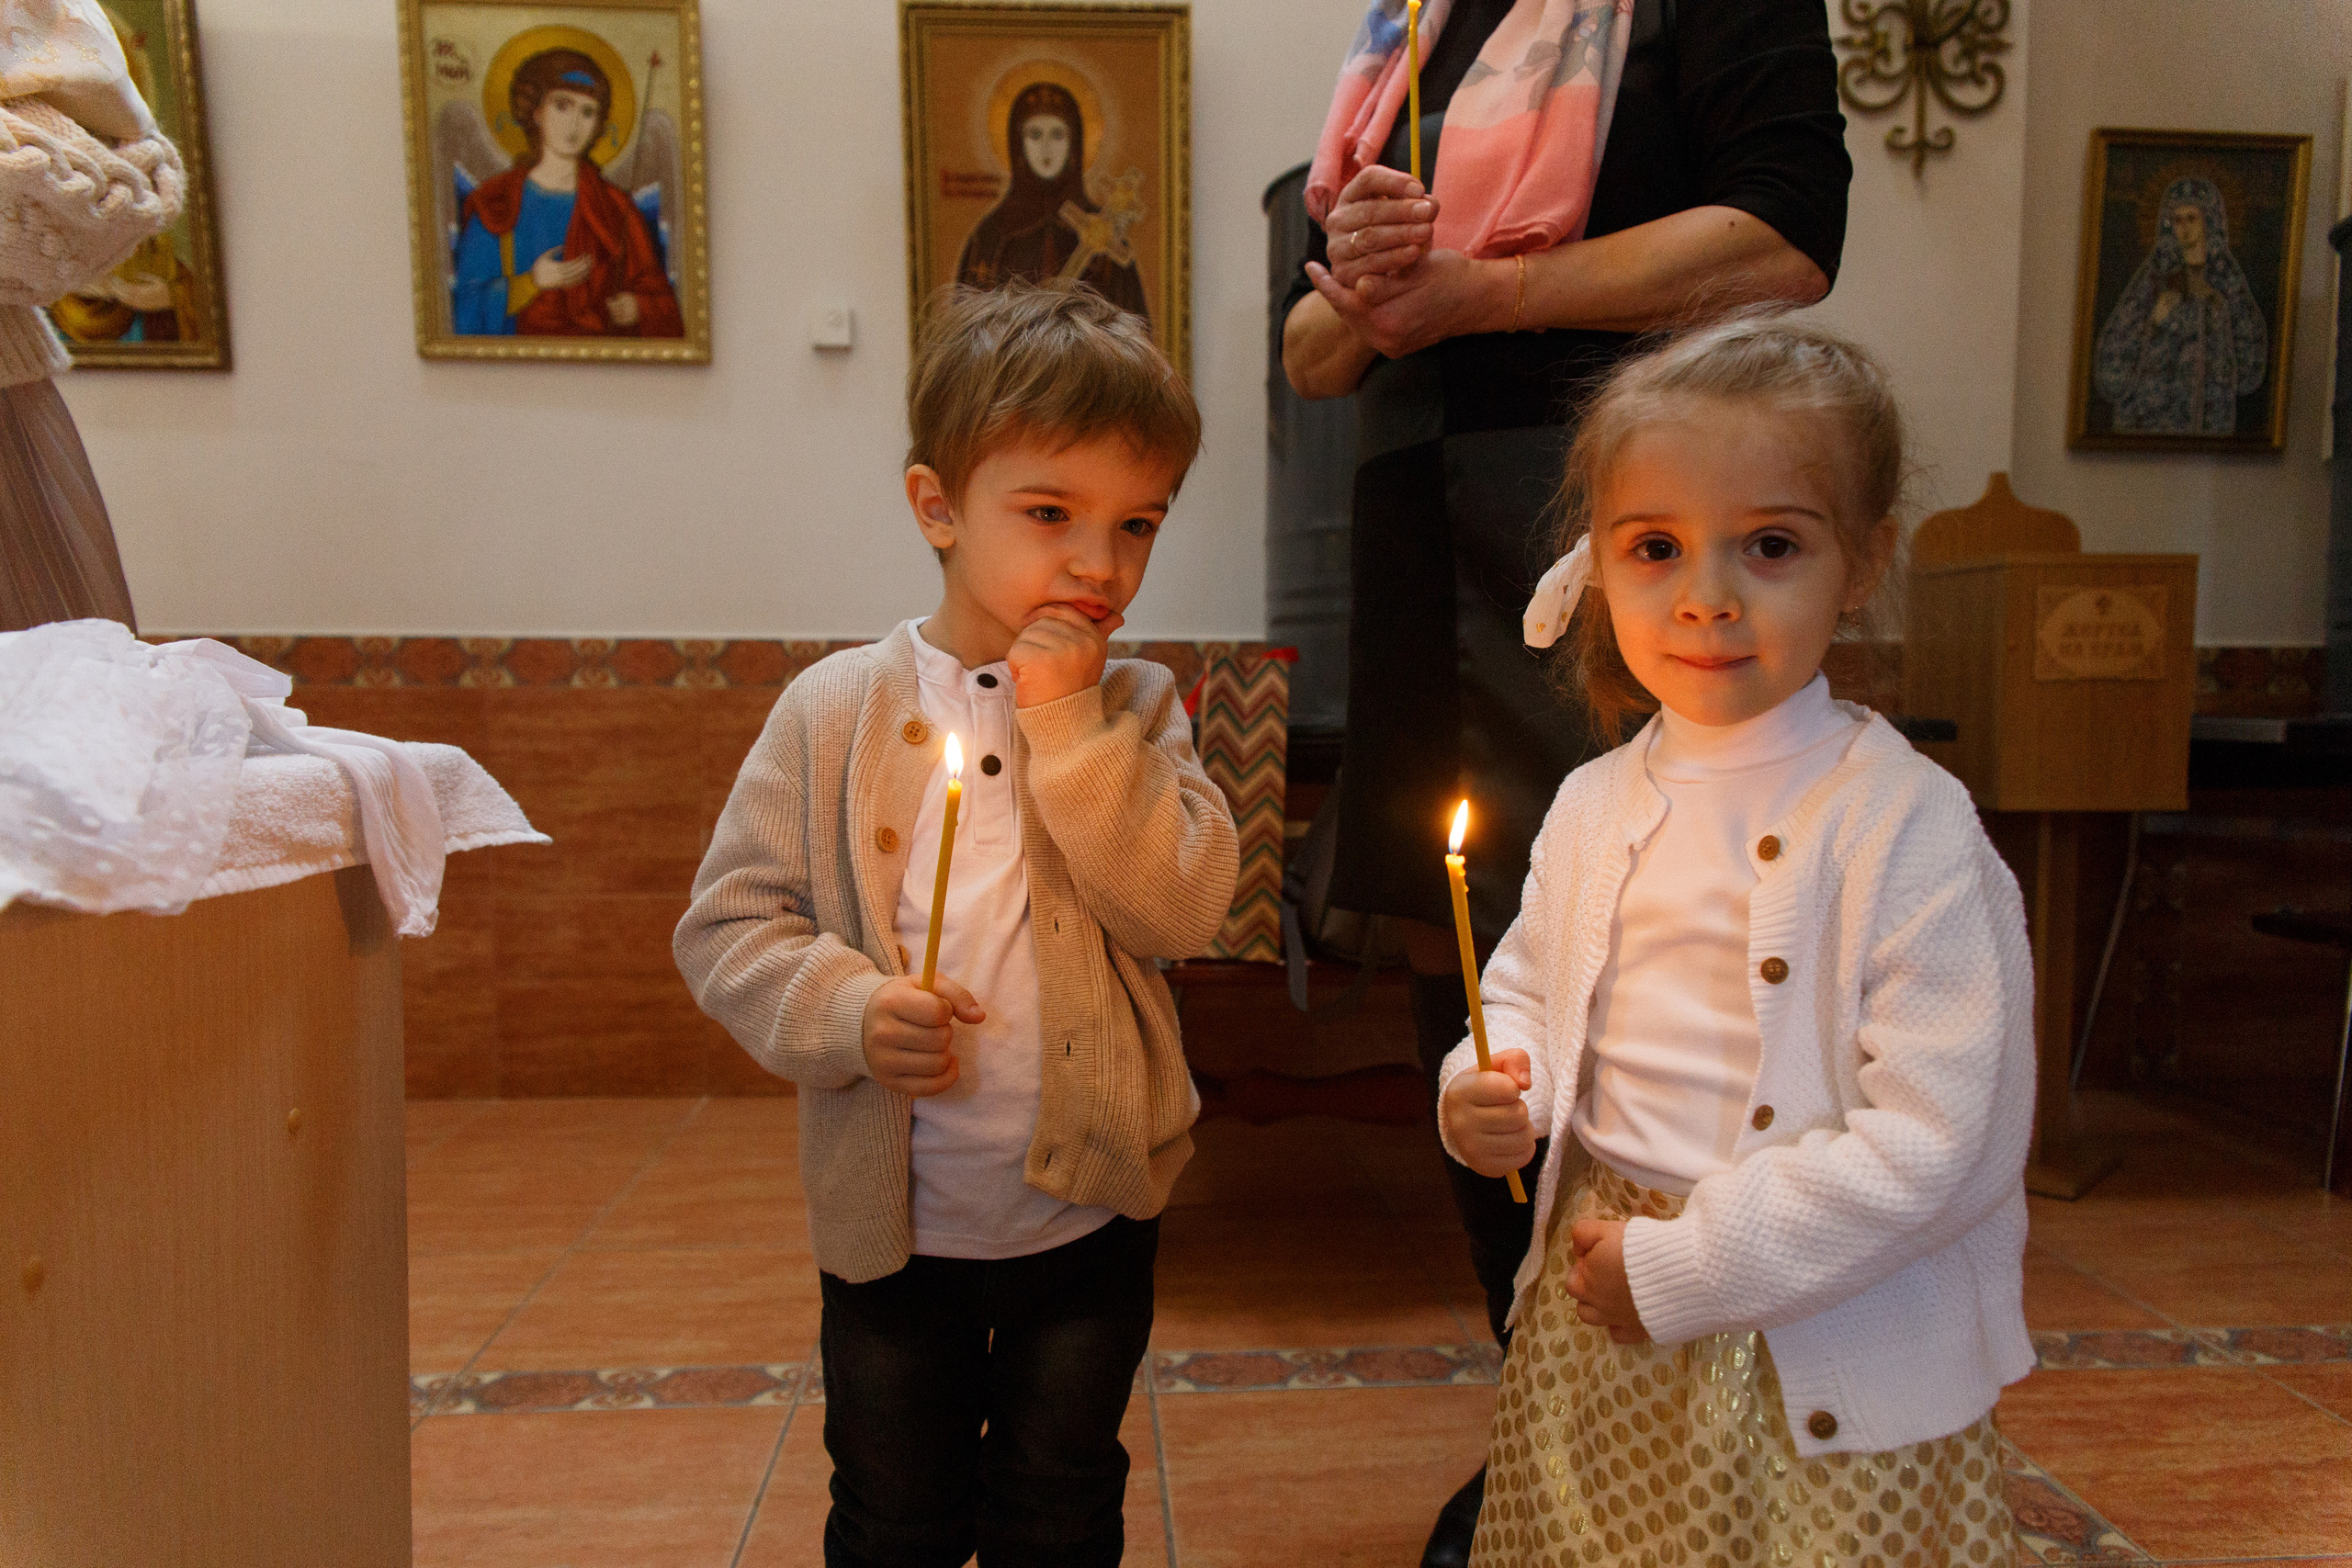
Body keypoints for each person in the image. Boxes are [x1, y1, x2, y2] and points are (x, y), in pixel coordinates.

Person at [1281, 4, 1850, 1557]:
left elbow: (1793, 237)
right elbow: (1313, 350)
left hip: (1633, 521)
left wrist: (1487, 289)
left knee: (1658, 953)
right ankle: (1540, 1394)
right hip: (1420, 525)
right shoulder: (1412, 24)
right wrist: (1380, 282)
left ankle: (1699, 1410)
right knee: (1456, 938)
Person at [1439, 313, 2035, 1565]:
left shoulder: (1902, 821)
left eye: (1770, 544)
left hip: (1819, 1316)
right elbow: (1533, 996)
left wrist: (1694, 1264)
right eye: (1655, 547)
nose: (1707, 595)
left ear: (1862, 560)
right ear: (1598, 561)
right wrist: (1495, 1086)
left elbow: (1942, 1137)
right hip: (1606, 1298)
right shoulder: (1595, 801)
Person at [673, 280, 1237, 1568]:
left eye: (1136, 522)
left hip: (1089, 1221)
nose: (1100, 563)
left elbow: (1184, 904)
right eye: (1051, 514)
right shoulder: (833, 710)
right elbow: (727, 927)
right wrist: (850, 1010)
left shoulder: (1141, 708)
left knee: (1060, 1502)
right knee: (893, 1512)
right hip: (895, 1241)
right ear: (938, 505)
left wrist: (1070, 725)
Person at [451, 47, 681, 337]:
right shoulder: (497, 202)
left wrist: (637, 307)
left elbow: (665, 306)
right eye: (562, 105)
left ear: (598, 125)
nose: (574, 125)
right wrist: (531, 283)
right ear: (536, 112)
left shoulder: (615, 207)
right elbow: (466, 311)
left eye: (588, 112)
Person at [956, 81, 1151, 325]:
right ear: (1018, 145)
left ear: (1074, 145)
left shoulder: (1104, 235)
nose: (1046, 147)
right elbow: (967, 339)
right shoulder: (992, 237)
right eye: (1035, 134)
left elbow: (1135, 341)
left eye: (1057, 135)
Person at [2093, 175, 2267, 435]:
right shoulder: (2155, 275)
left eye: (2192, 218)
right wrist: (2154, 322)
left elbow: (2249, 364)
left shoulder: (2225, 276)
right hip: (2153, 421)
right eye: (2177, 219)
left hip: (2211, 425)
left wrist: (2221, 317)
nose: (2184, 227)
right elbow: (2115, 357)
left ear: (2208, 221)